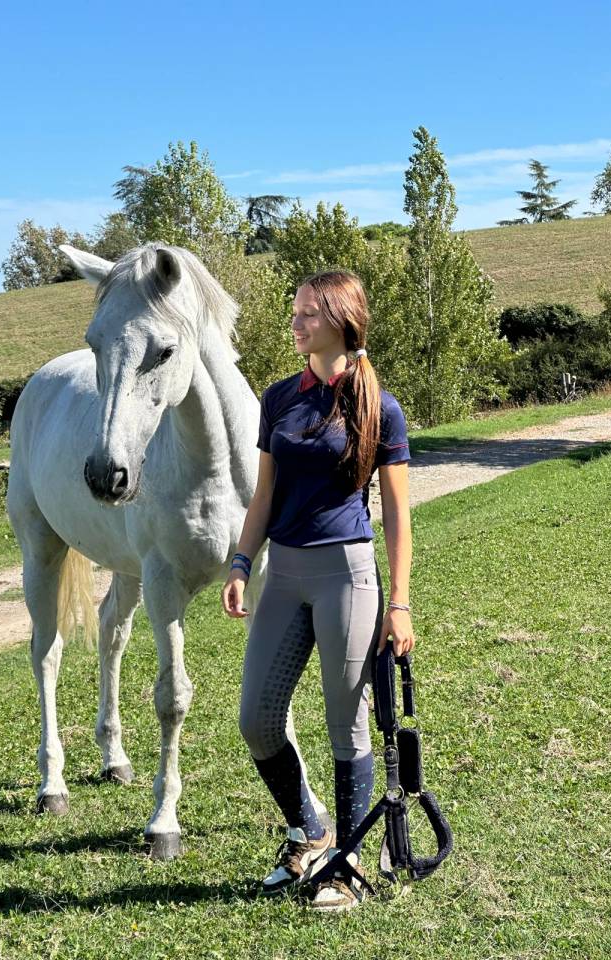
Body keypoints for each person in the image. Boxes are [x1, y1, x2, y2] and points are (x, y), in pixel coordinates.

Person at [221, 269, 415, 913]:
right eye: (297, 312)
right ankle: (310, 828)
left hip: (347, 575)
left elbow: (396, 515)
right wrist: (242, 561)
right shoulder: (278, 398)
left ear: (339, 320)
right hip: (285, 573)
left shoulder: (378, 406)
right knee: (256, 718)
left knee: (346, 726)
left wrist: (399, 603)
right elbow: (264, 494)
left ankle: (347, 862)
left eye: (308, 313)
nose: (296, 322)